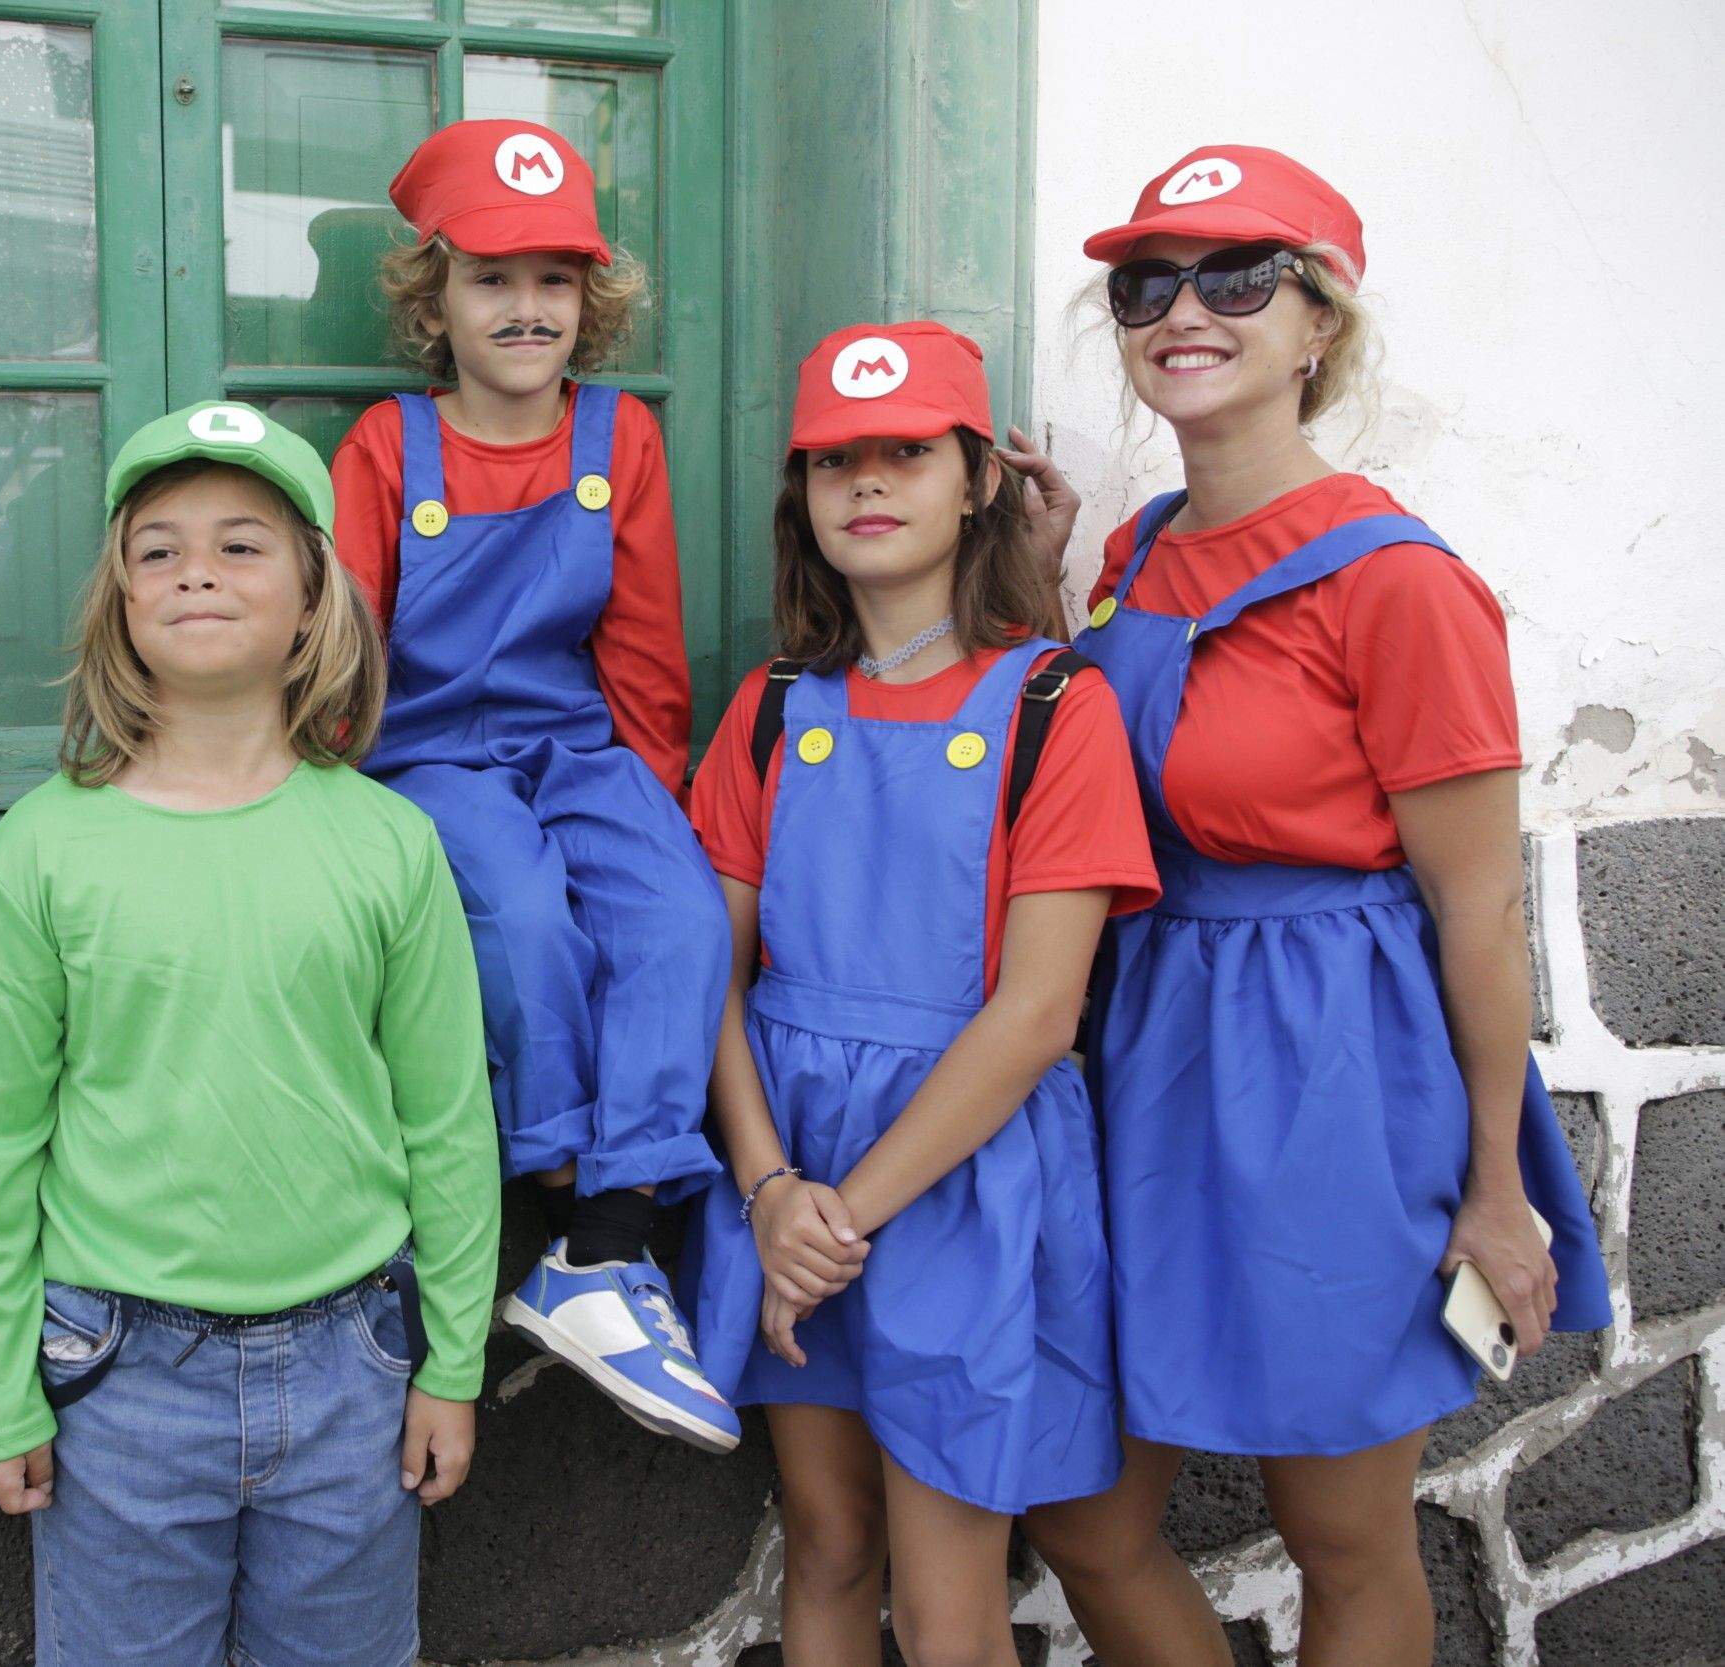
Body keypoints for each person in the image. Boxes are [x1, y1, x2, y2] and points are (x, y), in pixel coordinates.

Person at [1021, 145, 1612, 1667]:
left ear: (1318, 325)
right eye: (1148, 284)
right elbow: (1104, 774)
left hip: (1333, 1068)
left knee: (1341, 1531)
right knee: (1086, 1515)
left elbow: (1477, 911)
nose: (1182, 311)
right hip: (1147, 1053)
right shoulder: (1137, 554)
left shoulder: (1402, 582)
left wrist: (1496, 1181)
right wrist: (1041, 590)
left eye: (1237, 277)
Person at [0, 401, 501, 1666]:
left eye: (242, 544)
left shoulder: (385, 842)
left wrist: (451, 1361)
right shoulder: (47, 842)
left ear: (313, 598)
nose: (195, 567)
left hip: (355, 1365)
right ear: (122, 600)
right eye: (158, 548)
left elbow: (448, 1123)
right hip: (114, 1376)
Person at [685, 323, 1157, 1664]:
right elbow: (713, 970)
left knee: (951, 1588)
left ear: (976, 481)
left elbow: (1034, 1014)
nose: (869, 481)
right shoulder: (775, 706)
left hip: (959, 1178)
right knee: (828, 1539)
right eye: (837, 459)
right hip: (792, 1150)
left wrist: (839, 1220)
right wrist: (774, 1187)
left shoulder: (1054, 706)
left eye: (906, 452)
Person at [331, 119, 735, 1450]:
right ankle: (567, 1180)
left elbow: (643, 642)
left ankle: (607, 1248)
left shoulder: (620, 435)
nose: (526, 308)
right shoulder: (389, 449)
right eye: (492, 279)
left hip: (578, 739)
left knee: (676, 913)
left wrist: (645, 798)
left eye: (555, 280)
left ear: (589, 301)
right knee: (515, 906)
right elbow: (342, 644)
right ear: (433, 299)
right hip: (428, 749)